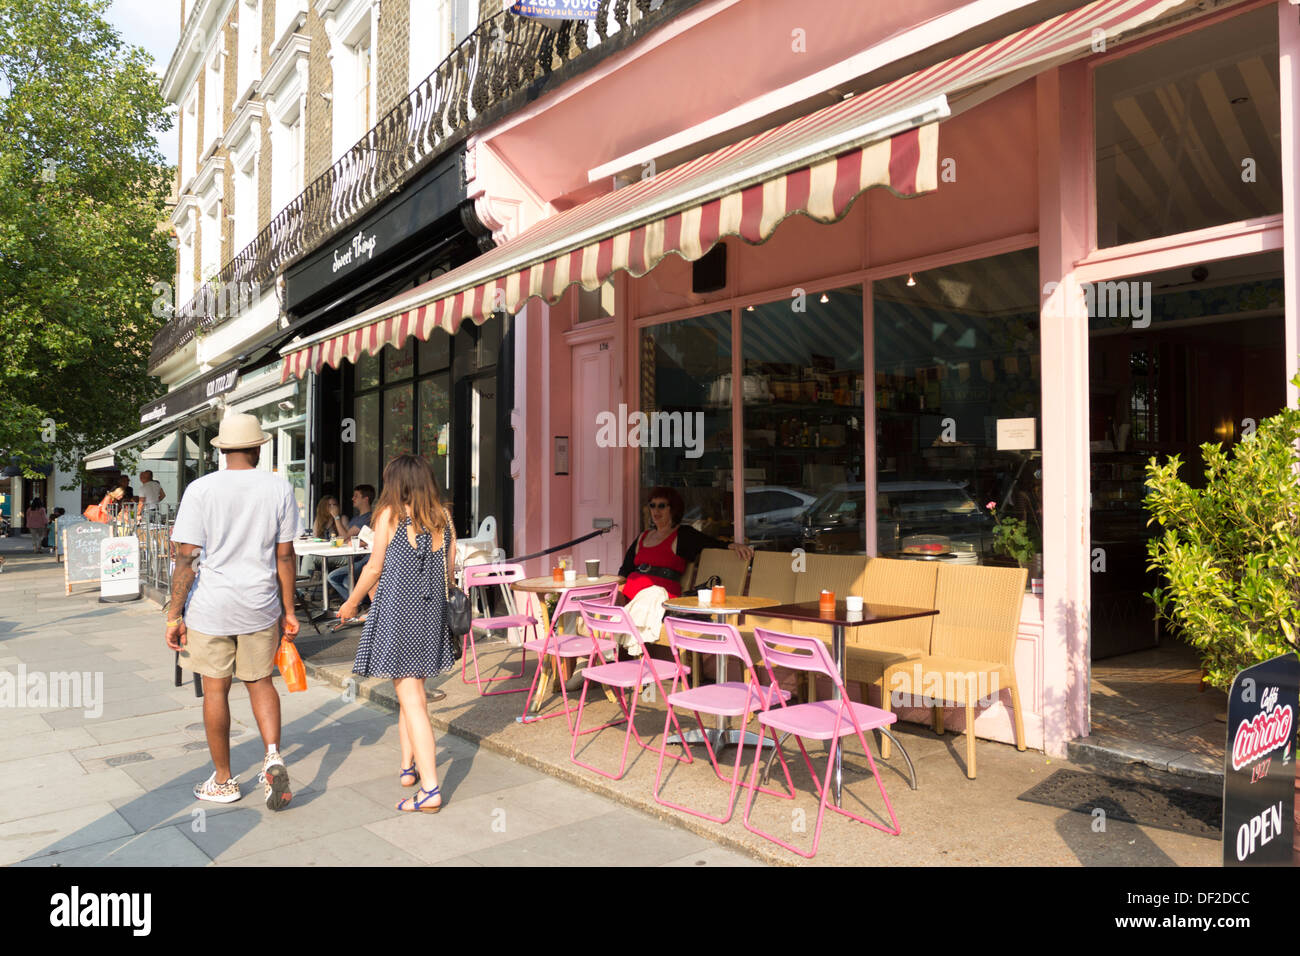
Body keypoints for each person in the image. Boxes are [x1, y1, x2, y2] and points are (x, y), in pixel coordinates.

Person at [165, 413, 301, 810]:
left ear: (222, 449)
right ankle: (272, 755)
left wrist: (174, 614)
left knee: (215, 689)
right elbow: (286, 555)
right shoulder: (278, 489)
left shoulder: (200, 490)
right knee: (261, 682)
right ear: (258, 448)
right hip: (260, 603)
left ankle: (224, 780)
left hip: (212, 607)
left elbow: (186, 557)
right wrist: (289, 609)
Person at [337, 455, 456, 814]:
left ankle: (431, 789)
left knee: (413, 700)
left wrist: (351, 603)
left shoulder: (389, 515)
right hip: (432, 614)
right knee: (410, 691)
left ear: (396, 482)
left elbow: (374, 567)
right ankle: (408, 768)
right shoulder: (444, 518)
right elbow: (448, 575)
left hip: (400, 613)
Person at [618, 487, 754, 600]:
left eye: (661, 506)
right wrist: (617, 587)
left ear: (673, 509)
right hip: (631, 595)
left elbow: (712, 544)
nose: (656, 510)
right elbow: (625, 569)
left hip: (660, 598)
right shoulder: (643, 536)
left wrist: (732, 545)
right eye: (652, 506)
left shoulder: (683, 535)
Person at [326, 484, 375, 615]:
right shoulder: (356, 518)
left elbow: (346, 537)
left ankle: (358, 604)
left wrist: (336, 517)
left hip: (361, 558)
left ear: (366, 499)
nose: (352, 498)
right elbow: (346, 538)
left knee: (335, 577)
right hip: (354, 556)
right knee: (344, 579)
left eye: (356, 496)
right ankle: (360, 605)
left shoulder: (368, 518)